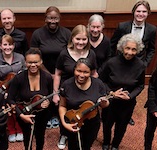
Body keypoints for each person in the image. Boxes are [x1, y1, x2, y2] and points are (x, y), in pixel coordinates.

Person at [110, 0, 157, 126]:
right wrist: (113, 61)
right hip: (121, 63)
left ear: (148, 13)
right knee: (117, 86)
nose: (140, 14)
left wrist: (145, 63)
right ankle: (111, 112)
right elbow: (112, 44)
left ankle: (127, 115)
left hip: (137, 66)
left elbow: (152, 49)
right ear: (133, 12)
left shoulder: (152, 29)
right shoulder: (122, 26)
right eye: (138, 11)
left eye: (144, 11)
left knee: (133, 90)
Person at [53, 24, 98, 149]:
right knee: (65, 114)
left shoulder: (92, 54)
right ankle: (64, 134)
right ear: (72, 38)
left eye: (84, 39)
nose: (81, 42)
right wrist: (55, 93)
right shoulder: (64, 53)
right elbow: (57, 74)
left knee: (82, 116)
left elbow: (94, 74)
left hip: (85, 89)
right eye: (78, 39)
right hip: (67, 90)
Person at [99, 33, 146, 150]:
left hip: (127, 104)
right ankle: (106, 143)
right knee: (107, 124)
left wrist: (130, 96)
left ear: (138, 50)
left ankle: (115, 145)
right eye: (127, 48)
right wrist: (111, 93)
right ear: (122, 48)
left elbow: (140, 85)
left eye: (134, 49)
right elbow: (101, 81)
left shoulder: (140, 66)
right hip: (110, 102)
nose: (130, 52)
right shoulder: (111, 63)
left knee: (121, 126)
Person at [30, 5, 71, 134]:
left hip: (62, 71)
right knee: (45, 91)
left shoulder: (66, 33)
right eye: (50, 18)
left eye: (56, 18)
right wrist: (50, 74)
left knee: (63, 92)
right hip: (42, 70)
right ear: (45, 19)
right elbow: (34, 56)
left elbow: (70, 53)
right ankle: (47, 116)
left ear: (60, 18)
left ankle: (60, 115)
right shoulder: (37, 34)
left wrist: (58, 73)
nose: (53, 21)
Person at [59, 58, 110, 150]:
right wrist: (64, 123)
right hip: (72, 121)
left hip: (92, 124)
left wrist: (105, 102)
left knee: (87, 146)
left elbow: (104, 105)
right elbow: (62, 106)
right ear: (74, 70)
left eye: (86, 72)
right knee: (73, 147)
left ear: (91, 72)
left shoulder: (98, 84)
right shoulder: (66, 84)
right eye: (79, 71)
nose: (81, 75)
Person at [7, 48, 53, 150]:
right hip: (24, 114)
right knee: (27, 138)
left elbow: (50, 95)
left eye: (36, 62)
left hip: (42, 114)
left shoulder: (47, 77)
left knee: (40, 136)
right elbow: (10, 99)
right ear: (25, 62)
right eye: (30, 62)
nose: (33, 65)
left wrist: (48, 102)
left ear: (41, 61)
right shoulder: (18, 78)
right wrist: (21, 115)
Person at [0, 34, 26, 143]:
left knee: (18, 106)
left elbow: (24, 73)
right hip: (2, 90)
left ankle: (19, 130)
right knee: (7, 109)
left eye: (10, 44)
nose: (7, 47)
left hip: (18, 89)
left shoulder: (20, 58)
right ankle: (12, 131)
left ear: (14, 46)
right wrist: (1, 93)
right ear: (0, 46)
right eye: (5, 45)